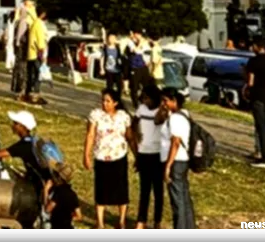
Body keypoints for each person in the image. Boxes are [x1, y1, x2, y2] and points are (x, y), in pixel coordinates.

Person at [84, 88, 132, 229]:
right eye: (103, 100)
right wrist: (86, 155)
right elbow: (90, 135)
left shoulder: (123, 116)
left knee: (121, 189)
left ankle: (121, 220)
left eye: (108, 101)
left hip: (119, 156)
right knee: (101, 190)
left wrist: (136, 155)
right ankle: (100, 222)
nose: (105, 104)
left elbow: (130, 137)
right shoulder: (96, 115)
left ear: (115, 103)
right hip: (101, 157)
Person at [158, 88, 196, 229]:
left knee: (177, 200)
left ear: (174, 101)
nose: (163, 104)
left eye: (165, 101)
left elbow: (175, 142)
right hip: (182, 161)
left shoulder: (175, 118)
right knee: (184, 197)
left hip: (175, 162)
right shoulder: (184, 115)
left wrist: (168, 165)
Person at [132, 84, 165, 229]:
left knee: (158, 190)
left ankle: (157, 220)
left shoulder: (162, 111)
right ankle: (141, 219)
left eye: (147, 98)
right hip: (143, 152)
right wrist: (137, 135)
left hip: (157, 154)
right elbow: (134, 123)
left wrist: (162, 106)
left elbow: (158, 121)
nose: (145, 101)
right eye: (143, 98)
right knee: (144, 189)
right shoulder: (141, 109)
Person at [10, 0, 36, 94]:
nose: (28, 6)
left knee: (27, 67)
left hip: (28, 43)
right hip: (22, 43)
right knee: (21, 66)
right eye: (26, 4)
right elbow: (16, 24)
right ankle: (20, 87)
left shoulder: (32, 15)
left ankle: (26, 88)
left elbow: (35, 20)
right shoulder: (21, 18)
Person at [24, 9, 49, 105]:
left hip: (31, 53)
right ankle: (35, 94)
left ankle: (28, 92)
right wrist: (42, 54)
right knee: (39, 74)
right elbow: (40, 41)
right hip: (36, 53)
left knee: (31, 74)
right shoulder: (39, 24)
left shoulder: (34, 23)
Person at [46, 165, 81, 230]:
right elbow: (79, 216)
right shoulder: (73, 194)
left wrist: (46, 190)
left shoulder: (59, 192)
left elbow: (48, 209)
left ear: (59, 177)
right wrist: (68, 219)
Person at [126, 30, 153, 108]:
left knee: (146, 86)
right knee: (134, 87)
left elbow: (147, 51)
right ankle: (135, 104)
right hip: (135, 67)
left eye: (140, 34)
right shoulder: (130, 43)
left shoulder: (144, 43)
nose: (138, 36)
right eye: (137, 34)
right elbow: (136, 51)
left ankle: (143, 100)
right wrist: (140, 43)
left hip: (143, 67)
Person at [103, 33, 123, 97]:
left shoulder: (118, 48)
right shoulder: (105, 48)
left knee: (119, 86)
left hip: (117, 69)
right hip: (109, 69)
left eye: (113, 38)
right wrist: (102, 68)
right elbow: (102, 58)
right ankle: (110, 97)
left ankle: (118, 98)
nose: (111, 39)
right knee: (109, 86)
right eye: (110, 38)